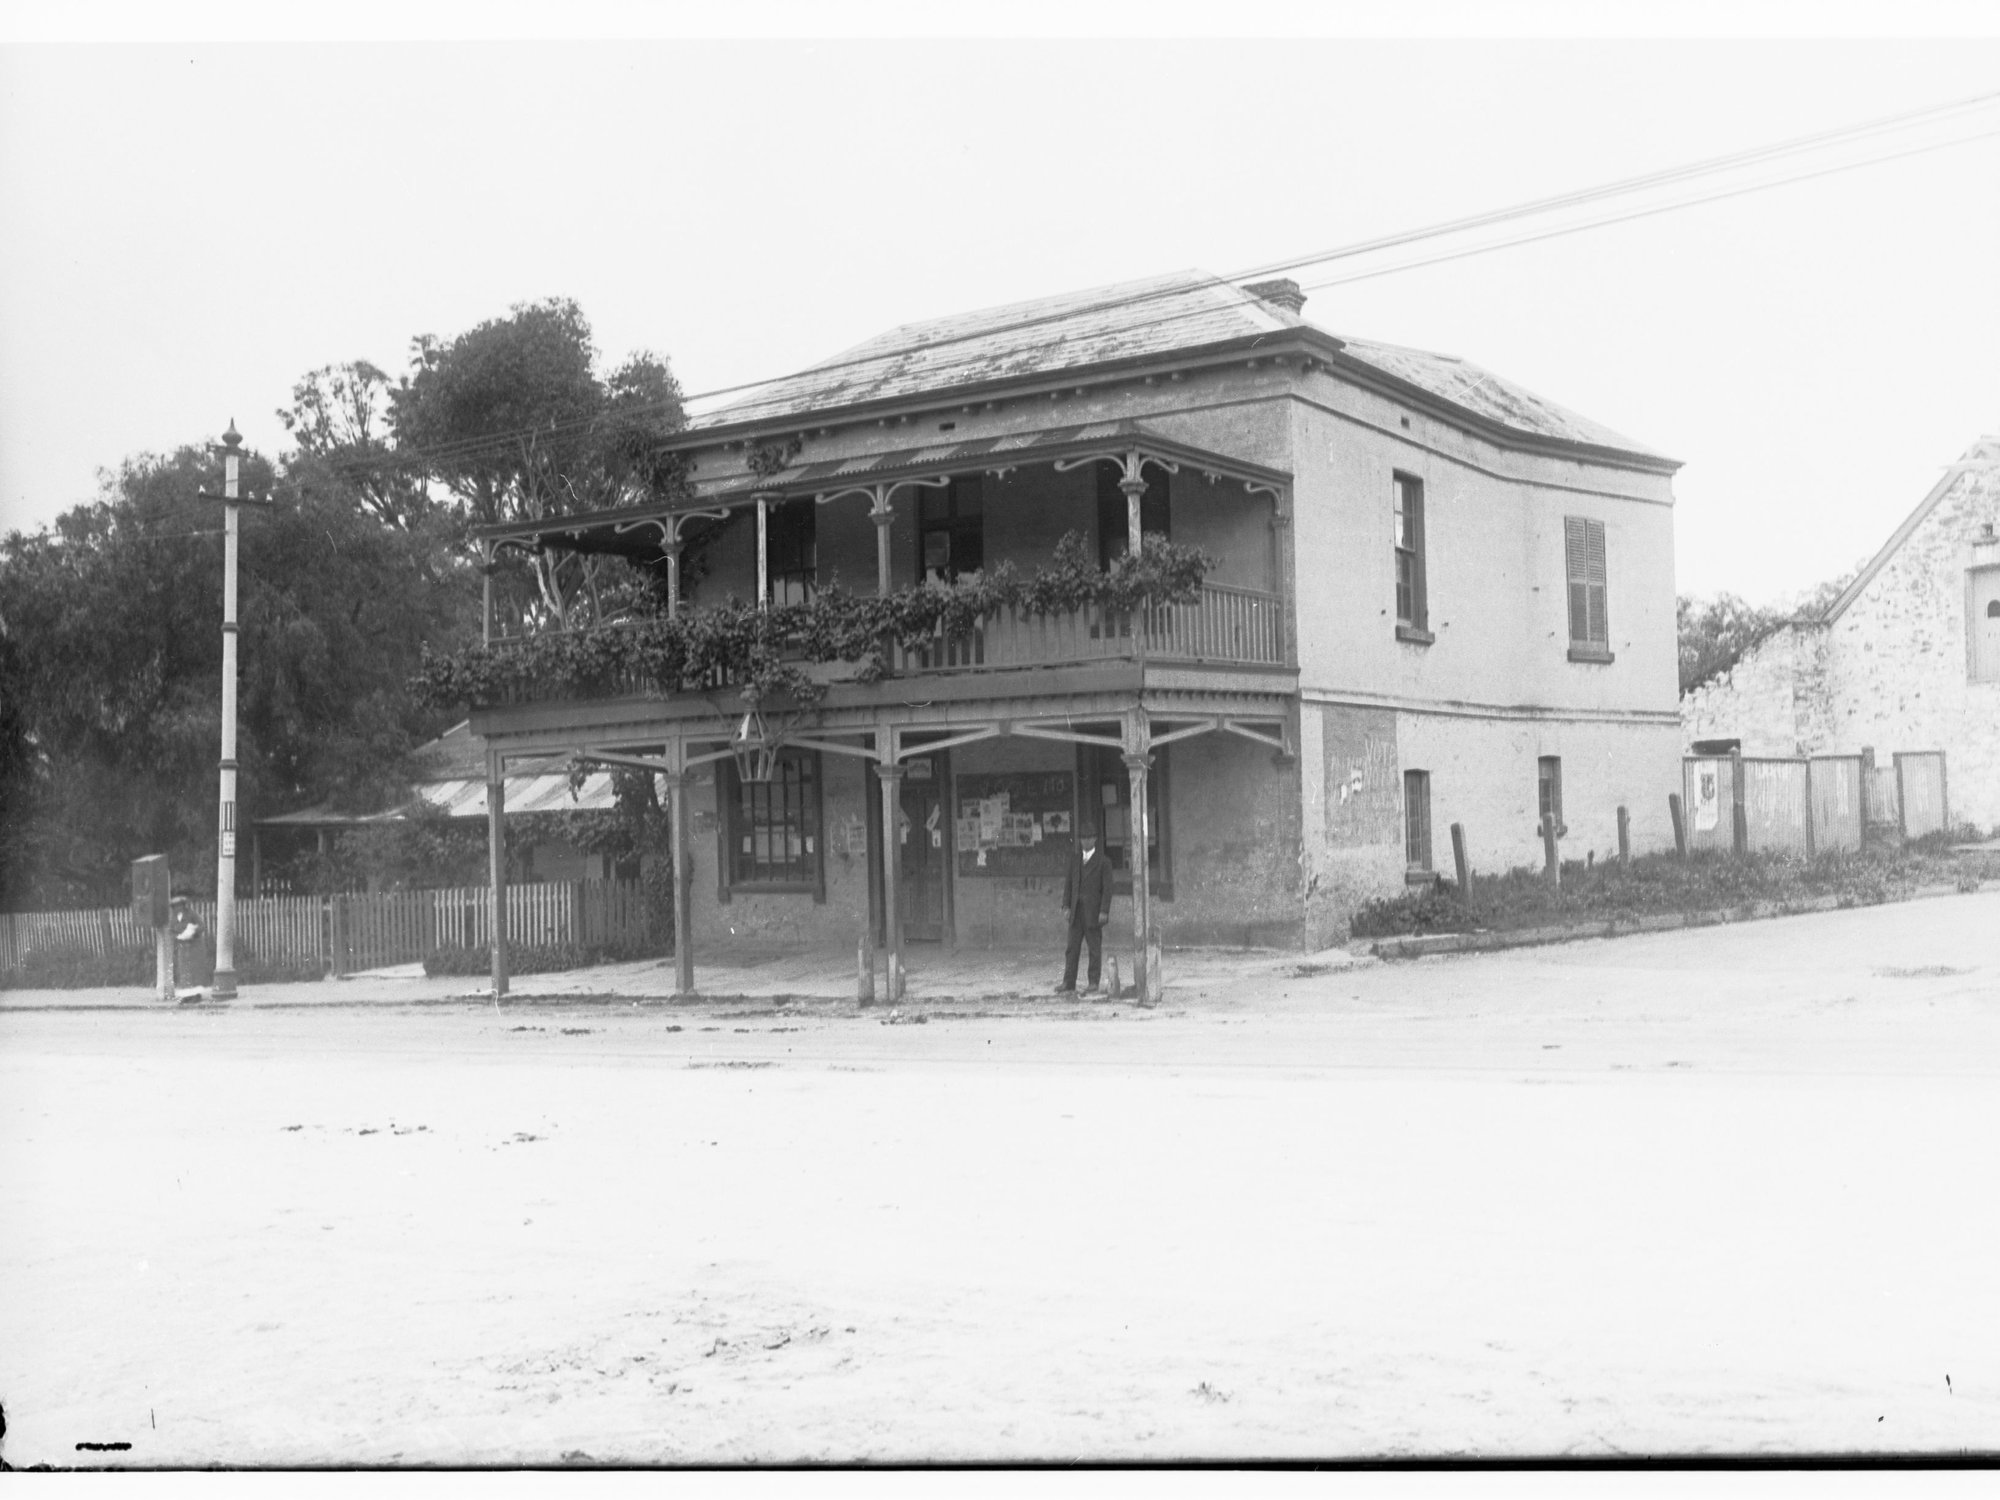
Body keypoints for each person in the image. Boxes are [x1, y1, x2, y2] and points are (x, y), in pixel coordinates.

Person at [1057, 822, 1114, 996]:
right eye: (1082, 838)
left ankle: (1093, 982)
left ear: (1095, 839)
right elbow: (1069, 885)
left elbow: (1107, 889)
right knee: (1071, 948)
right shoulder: (1074, 860)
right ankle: (1068, 982)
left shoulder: (1103, 862)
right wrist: (1066, 906)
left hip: (1093, 913)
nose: (1085, 842)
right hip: (1076, 912)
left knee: (1094, 949)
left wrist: (1104, 911)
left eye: (1088, 838)